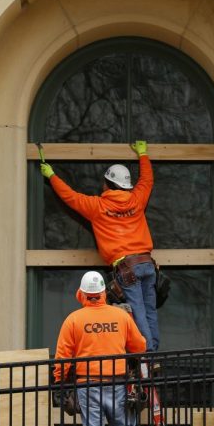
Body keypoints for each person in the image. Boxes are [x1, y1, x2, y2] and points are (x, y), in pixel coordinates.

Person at [40, 140, 160, 351]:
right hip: (147, 263)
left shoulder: (97, 207)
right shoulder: (136, 200)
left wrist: (51, 175)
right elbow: (147, 180)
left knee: (138, 312)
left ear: (108, 184)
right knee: (149, 310)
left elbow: (70, 196)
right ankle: (154, 353)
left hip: (127, 268)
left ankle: (147, 356)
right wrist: (143, 154)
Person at [53, 271, 147, 426]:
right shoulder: (121, 316)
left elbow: (63, 356)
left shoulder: (73, 320)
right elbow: (140, 347)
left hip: (88, 385)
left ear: (81, 294)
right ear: (103, 293)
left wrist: (59, 382)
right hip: (117, 382)